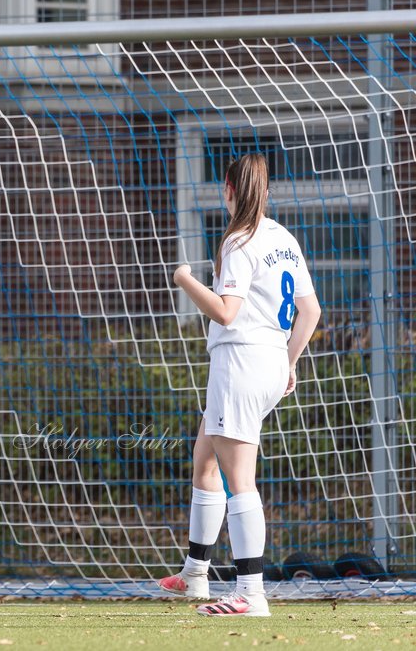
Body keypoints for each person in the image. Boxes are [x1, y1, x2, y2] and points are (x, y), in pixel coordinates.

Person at [158, 153, 321, 617]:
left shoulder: (238, 239)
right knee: (204, 461)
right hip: (268, 362)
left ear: (228, 190)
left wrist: (185, 279)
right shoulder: (283, 238)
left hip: (241, 363)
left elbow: (226, 312)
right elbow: (310, 313)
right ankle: (195, 574)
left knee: (239, 480)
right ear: (265, 193)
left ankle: (251, 592)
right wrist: (288, 363)